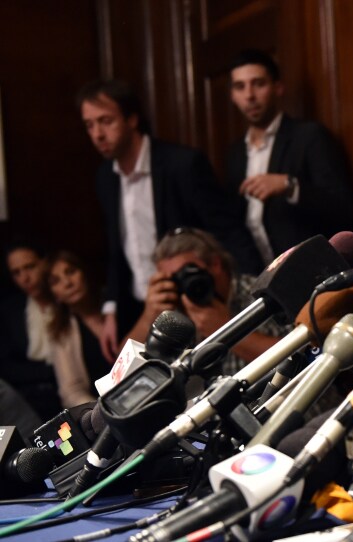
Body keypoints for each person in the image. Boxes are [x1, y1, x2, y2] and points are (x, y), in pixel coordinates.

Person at [77, 79, 261, 363]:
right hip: (140, 303)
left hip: (192, 300)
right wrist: (111, 308)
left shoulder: (182, 164)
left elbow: (230, 232)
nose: (98, 134)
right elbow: (117, 248)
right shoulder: (105, 176)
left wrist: (253, 299)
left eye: (106, 121)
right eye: (89, 125)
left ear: (132, 119)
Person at [226, 49, 353, 269]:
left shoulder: (309, 136)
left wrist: (290, 186)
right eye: (240, 86)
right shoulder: (234, 155)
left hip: (313, 273)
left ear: (277, 88)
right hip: (261, 278)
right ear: (233, 95)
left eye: (258, 84)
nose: (249, 95)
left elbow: (344, 209)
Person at [124, 227, 284, 376]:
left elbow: (298, 355)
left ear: (215, 264)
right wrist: (148, 317)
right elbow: (122, 369)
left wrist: (224, 329)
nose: (183, 285)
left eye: (187, 273)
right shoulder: (173, 307)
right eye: (174, 279)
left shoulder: (260, 293)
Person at [0, 241, 61, 420]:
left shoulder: (68, 300)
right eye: (16, 273)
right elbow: (6, 366)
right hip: (32, 398)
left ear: (45, 263)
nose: (25, 278)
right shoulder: (10, 311)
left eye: (30, 267)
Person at [44, 251, 109, 408]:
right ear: (55, 294)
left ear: (84, 273)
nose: (67, 283)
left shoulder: (113, 306)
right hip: (105, 409)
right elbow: (71, 391)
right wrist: (101, 412)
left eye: (71, 272)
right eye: (56, 281)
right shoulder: (60, 332)